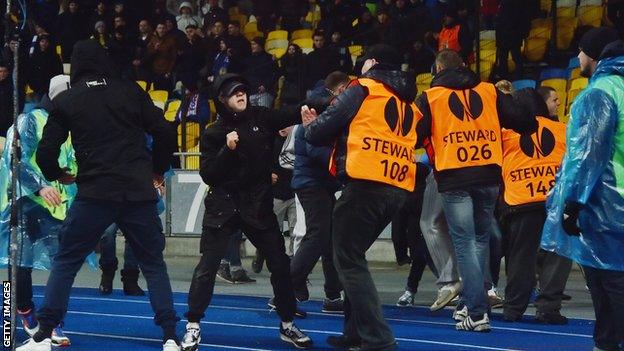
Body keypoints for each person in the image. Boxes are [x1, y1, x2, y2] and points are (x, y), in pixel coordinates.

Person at [18, 40, 180, 351]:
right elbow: (164, 130)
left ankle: (42, 335)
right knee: (153, 264)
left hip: (94, 193)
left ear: (76, 66)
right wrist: (157, 169)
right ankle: (171, 336)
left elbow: (46, 153)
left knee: (66, 261)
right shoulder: (130, 90)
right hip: (136, 190)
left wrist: (57, 175)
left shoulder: (69, 99)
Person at [180, 73, 312, 351]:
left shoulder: (263, 117)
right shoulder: (214, 133)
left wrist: (317, 105)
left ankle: (287, 324)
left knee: (280, 264)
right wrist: (227, 150)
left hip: (258, 207)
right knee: (207, 267)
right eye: (234, 92)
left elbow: (292, 112)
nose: (241, 95)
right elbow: (209, 176)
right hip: (223, 207)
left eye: (243, 90)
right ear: (223, 100)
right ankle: (193, 324)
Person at [304, 44, 420, 351]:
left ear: (372, 62)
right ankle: (353, 333)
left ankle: (378, 339)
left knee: (348, 259)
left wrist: (309, 126)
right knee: (352, 255)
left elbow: (320, 130)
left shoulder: (363, 88)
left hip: (365, 183)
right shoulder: (409, 100)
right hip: (396, 186)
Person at [415, 49, 536, 332]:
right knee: (480, 240)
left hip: (454, 177)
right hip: (488, 175)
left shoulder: (431, 97)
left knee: (465, 243)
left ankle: (477, 310)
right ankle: (471, 304)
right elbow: (526, 121)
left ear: (438, 68)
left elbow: (412, 134)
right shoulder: (489, 91)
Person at [542, 27, 624, 351]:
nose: (577, 57)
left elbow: (587, 155)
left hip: (606, 202)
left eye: (580, 51)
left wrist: (571, 202)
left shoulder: (599, 92)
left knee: (609, 283)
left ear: (592, 54)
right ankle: (605, 342)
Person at [0, 75, 74, 348]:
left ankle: (52, 320)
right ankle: (25, 312)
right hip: (27, 201)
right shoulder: (30, 121)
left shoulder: (72, 123)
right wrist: (41, 187)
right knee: (21, 264)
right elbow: (15, 159)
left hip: (59, 206)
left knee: (63, 265)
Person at [501, 88, 571, 324]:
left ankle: (513, 309)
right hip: (555, 202)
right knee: (557, 256)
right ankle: (548, 309)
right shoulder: (562, 130)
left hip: (522, 203)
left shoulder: (506, 133)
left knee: (521, 258)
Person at [289, 71, 351, 314]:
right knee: (318, 234)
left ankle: (333, 295)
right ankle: (288, 286)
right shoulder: (315, 113)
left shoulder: (319, 111)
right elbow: (316, 151)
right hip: (311, 183)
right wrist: (347, 162)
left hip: (319, 183)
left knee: (330, 238)